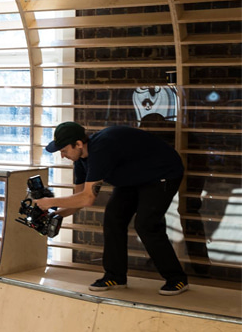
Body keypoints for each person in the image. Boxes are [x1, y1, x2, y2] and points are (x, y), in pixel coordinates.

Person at [34, 121, 189, 295]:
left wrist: (49, 203)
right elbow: (78, 200)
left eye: (64, 150)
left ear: (78, 144)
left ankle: (177, 279)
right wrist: (55, 215)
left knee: (146, 225)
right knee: (113, 220)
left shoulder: (100, 149)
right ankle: (115, 277)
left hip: (162, 173)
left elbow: (87, 198)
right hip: (133, 178)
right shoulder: (81, 161)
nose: (62, 156)